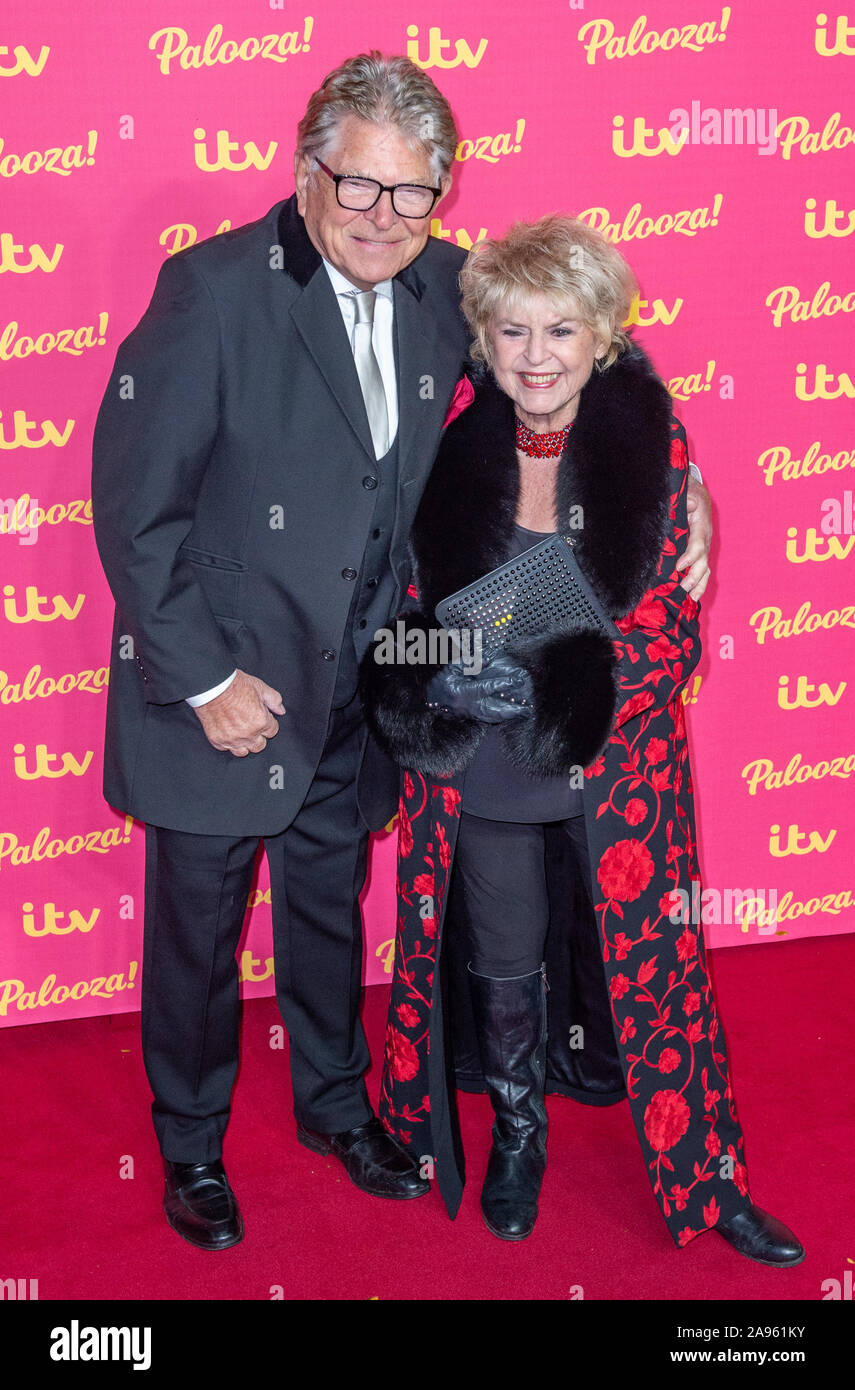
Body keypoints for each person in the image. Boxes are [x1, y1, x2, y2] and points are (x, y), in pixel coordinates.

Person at [91, 52, 712, 1252]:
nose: (383, 217)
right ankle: (189, 1144)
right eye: (358, 186)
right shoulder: (212, 292)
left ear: (443, 192)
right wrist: (208, 681)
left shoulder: (447, 287)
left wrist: (693, 498)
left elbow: (585, 357)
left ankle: (335, 1109)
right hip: (224, 689)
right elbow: (134, 508)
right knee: (198, 934)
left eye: (413, 192)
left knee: (328, 913)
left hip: (362, 692)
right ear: (306, 168)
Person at [360, 215, 803, 1264]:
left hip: (618, 773)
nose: (537, 356)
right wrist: (431, 668)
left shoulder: (655, 444)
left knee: (662, 970)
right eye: (513, 332)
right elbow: (395, 600)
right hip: (483, 774)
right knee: (504, 959)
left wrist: (567, 682)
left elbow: (672, 631)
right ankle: (519, 1138)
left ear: (604, 336)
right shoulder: (441, 435)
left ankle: (708, 1179)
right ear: (484, 338)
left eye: (562, 330)